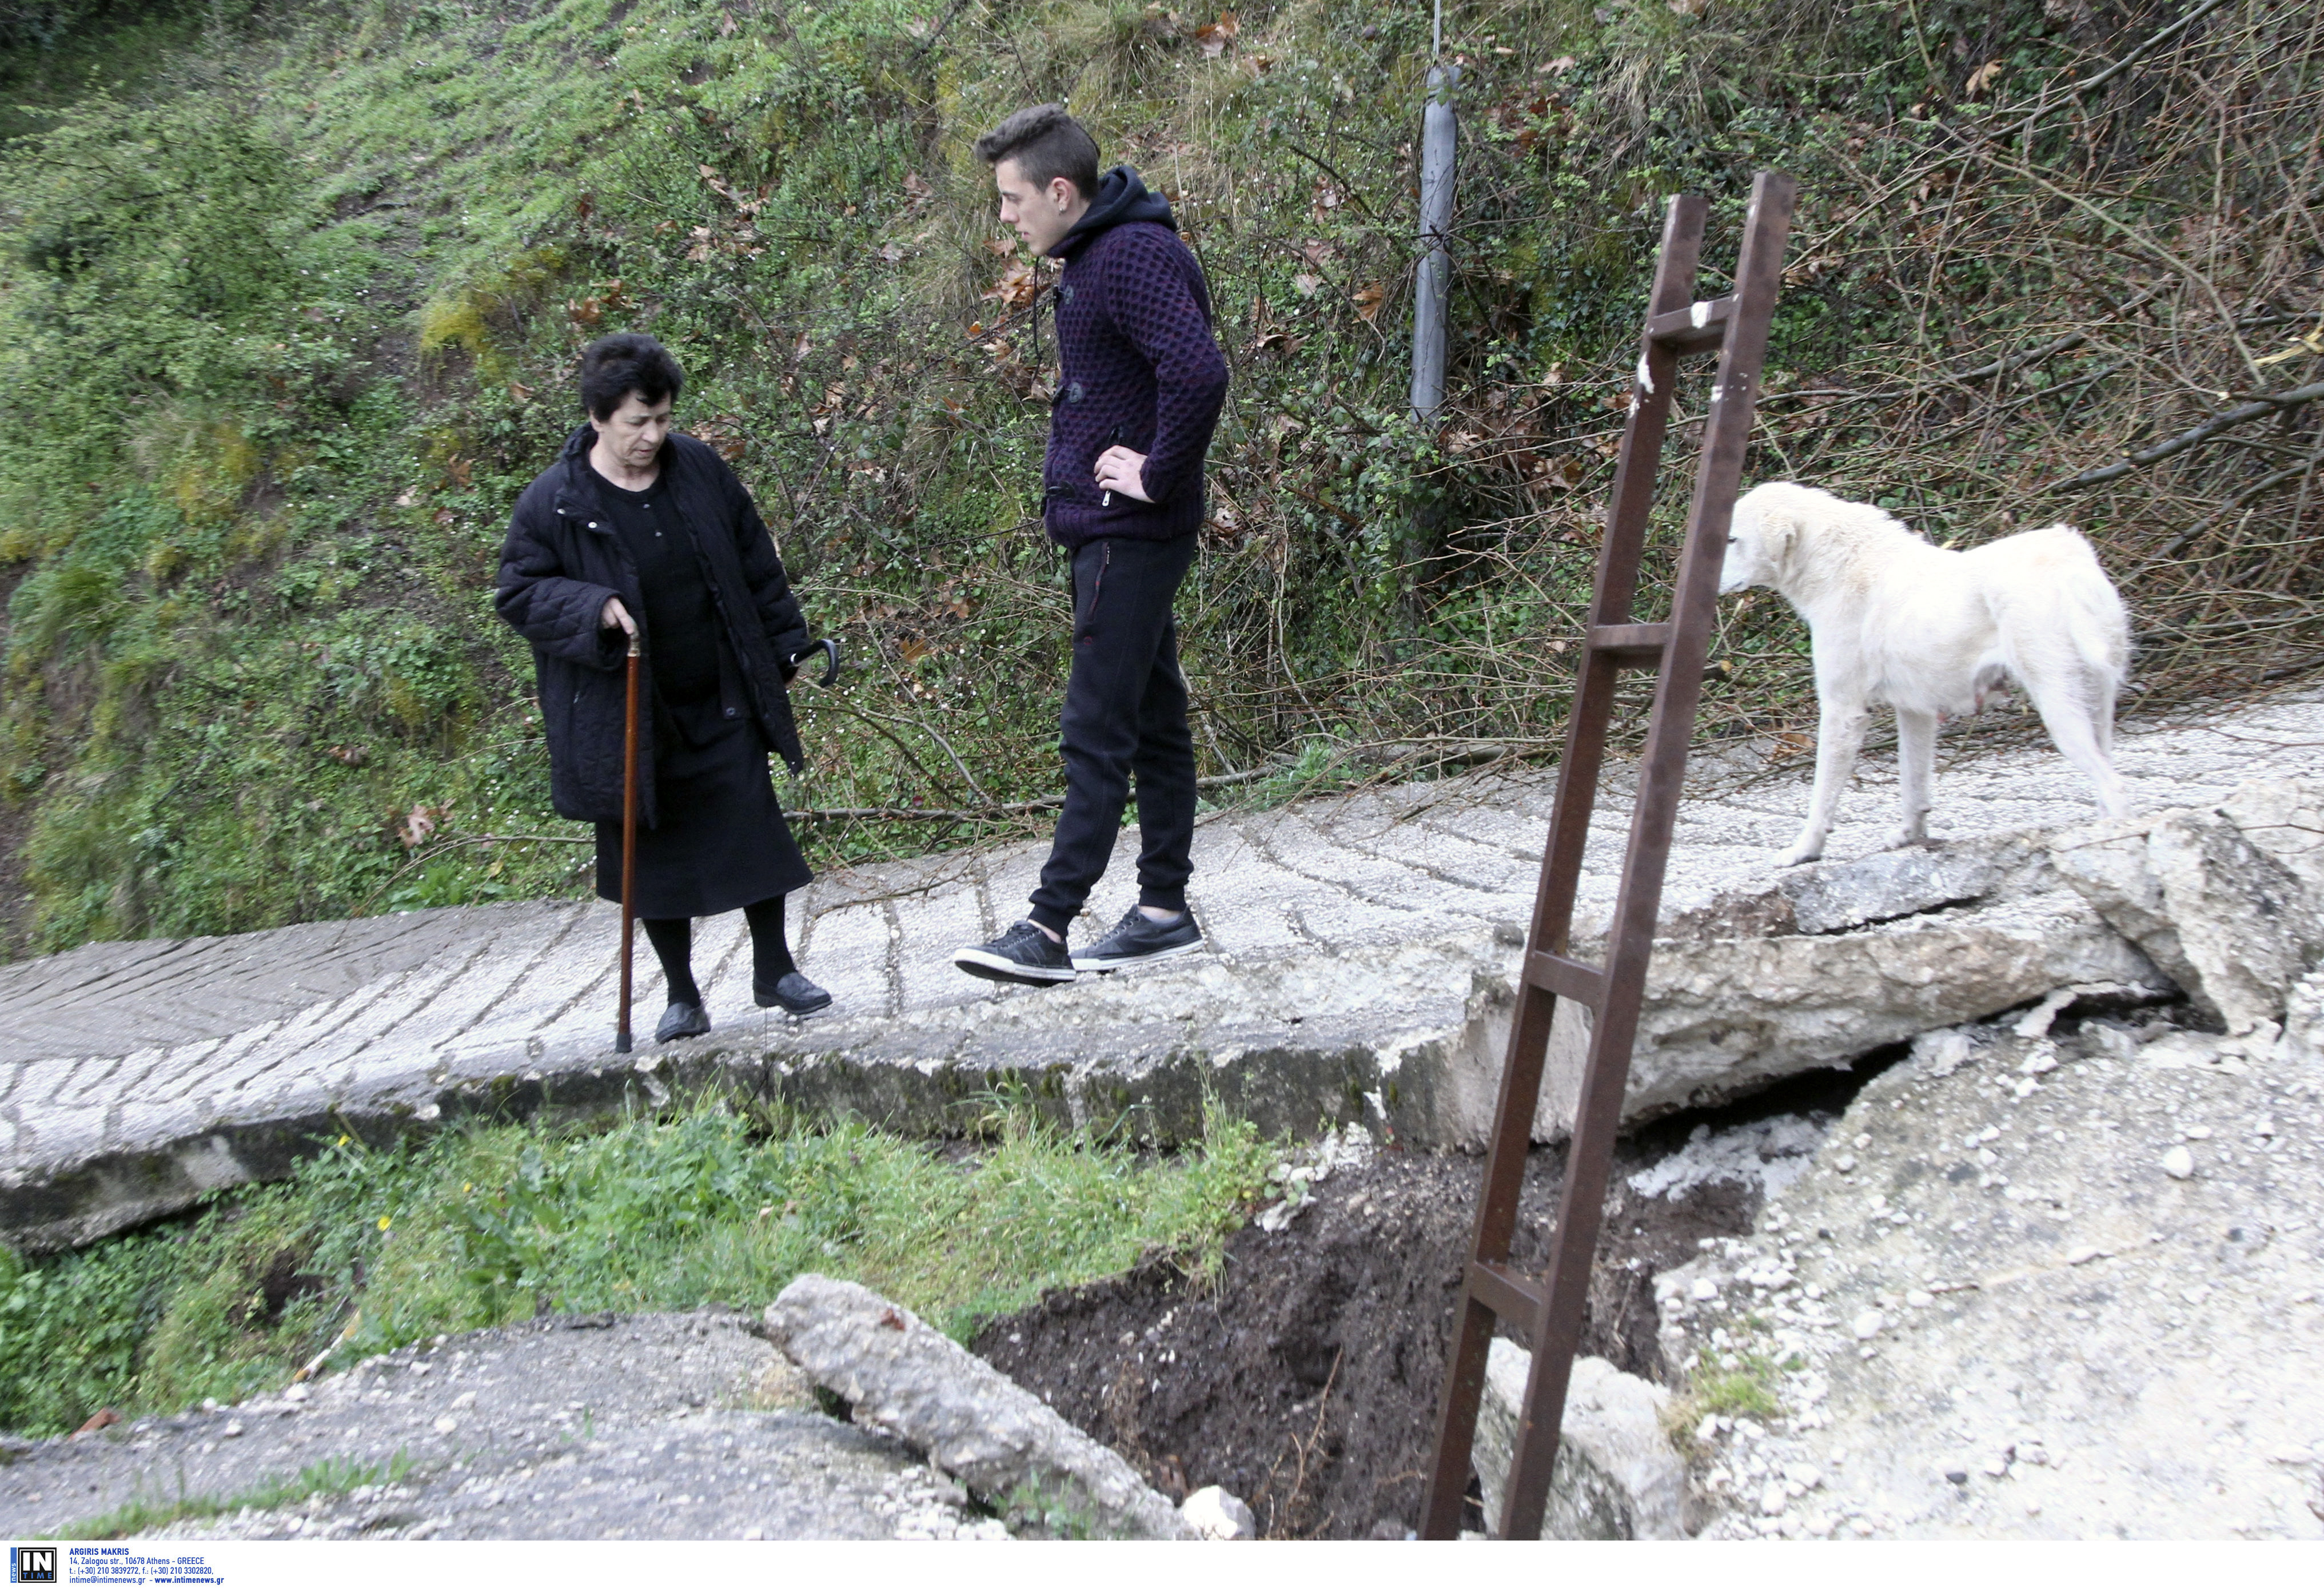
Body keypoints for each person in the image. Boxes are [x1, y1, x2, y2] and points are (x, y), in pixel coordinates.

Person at [951, 104, 1231, 987]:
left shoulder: (1129, 255)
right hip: (1117, 530)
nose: (1006, 216)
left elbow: (1198, 370)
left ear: (1061, 193)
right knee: (1151, 719)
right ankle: (1162, 911)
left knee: (1096, 726)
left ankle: (1048, 924)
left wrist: (1158, 473)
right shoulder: (1101, 252)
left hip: (1126, 533)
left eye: (1012, 199)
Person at [496, 332, 832, 1040]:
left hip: (721, 686)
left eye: (662, 419)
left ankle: (775, 970)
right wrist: (591, 606)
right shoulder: (555, 502)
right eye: (637, 422)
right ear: (597, 417)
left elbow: (754, 557)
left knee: (752, 827)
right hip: (628, 706)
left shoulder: (698, 467)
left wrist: (785, 643)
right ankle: (682, 995)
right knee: (651, 855)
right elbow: (520, 592)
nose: (652, 436)